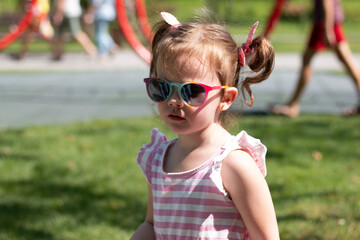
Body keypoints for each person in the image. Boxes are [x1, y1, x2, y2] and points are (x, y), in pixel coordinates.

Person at [131, 12, 279, 240]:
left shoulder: (233, 164)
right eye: (162, 87)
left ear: (225, 99)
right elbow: (151, 225)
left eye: (191, 91)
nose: (172, 100)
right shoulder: (157, 159)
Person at [269, 0, 360, 116]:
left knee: (307, 60)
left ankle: (293, 105)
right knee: (345, 60)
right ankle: (292, 104)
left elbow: (327, 2)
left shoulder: (325, 24)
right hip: (329, 21)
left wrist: (327, 29)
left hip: (325, 23)